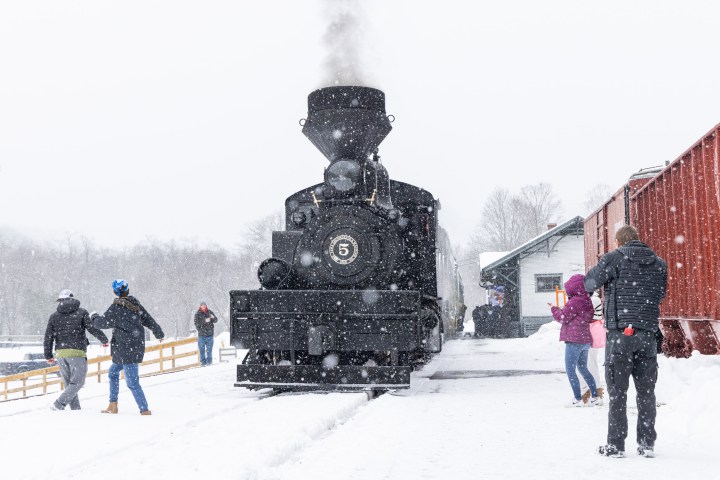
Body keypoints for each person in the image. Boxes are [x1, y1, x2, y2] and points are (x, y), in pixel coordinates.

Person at [585, 225, 667, 458]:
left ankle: (616, 445)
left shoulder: (615, 258)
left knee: (618, 392)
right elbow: (660, 294)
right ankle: (646, 444)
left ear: (619, 242)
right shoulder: (660, 263)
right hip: (648, 335)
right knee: (646, 392)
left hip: (620, 335)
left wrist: (607, 267)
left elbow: (589, 283)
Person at [91, 279, 165, 416]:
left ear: (115, 292)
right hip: (131, 348)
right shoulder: (136, 306)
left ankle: (144, 410)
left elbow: (101, 323)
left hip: (126, 350)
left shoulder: (116, 308)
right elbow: (149, 320)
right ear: (128, 290)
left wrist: (94, 317)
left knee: (132, 382)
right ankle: (113, 405)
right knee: (113, 372)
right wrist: (158, 332)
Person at [44, 289, 108, 410]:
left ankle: (75, 410)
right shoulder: (82, 312)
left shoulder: (53, 316)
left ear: (60, 300)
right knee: (78, 382)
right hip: (77, 352)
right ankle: (58, 404)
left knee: (69, 384)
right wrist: (104, 339)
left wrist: (48, 355)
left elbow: (48, 337)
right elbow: (91, 328)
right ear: (72, 299)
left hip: (61, 354)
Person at [548, 274, 600, 407]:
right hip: (585, 340)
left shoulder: (574, 301)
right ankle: (595, 396)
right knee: (583, 368)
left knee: (570, 370)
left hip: (574, 340)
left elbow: (563, 318)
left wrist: (553, 308)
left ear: (574, 287)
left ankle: (577, 399)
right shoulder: (587, 300)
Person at [580, 291, 606, 404]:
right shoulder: (595, 299)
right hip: (594, 331)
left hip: (590, 332)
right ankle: (595, 390)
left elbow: (586, 316)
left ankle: (591, 391)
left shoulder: (592, 300)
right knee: (591, 362)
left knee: (588, 363)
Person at [194, 301, 218, 366]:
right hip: (201, 335)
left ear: (206, 305)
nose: (204, 306)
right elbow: (196, 324)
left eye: (205, 305)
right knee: (202, 351)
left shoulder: (210, 312)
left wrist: (213, 318)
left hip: (210, 335)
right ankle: (203, 363)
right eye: (202, 305)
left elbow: (216, 320)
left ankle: (209, 363)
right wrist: (204, 321)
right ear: (200, 306)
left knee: (209, 350)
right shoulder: (197, 314)